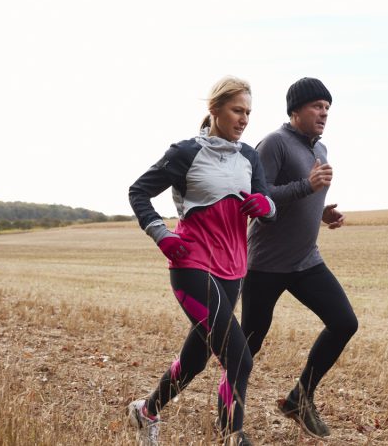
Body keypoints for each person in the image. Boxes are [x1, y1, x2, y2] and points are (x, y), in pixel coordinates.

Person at [127, 76, 275, 446]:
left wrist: (266, 206)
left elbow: (268, 202)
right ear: (215, 110)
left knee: (195, 360)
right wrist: (161, 234)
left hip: (232, 272)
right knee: (239, 358)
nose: (244, 119)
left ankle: (145, 411)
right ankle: (231, 437)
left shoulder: (250, 156)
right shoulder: (186, 152)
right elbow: (139, 192)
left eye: (248, 113)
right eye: (237, 110)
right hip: (191, 265)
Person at [241, 77, 359, 439]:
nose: (324, 112)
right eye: (316, 106)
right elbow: (256, 198)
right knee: (248, 343)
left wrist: (322, 212)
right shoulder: (274, 143)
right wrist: (307, 187)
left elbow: (302, 195)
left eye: (327, 107)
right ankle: (229, 416)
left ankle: (300, 397)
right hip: (266, 264)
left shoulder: (319, 149)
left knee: (344, 322)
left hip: (306, 260)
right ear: (295, 111)